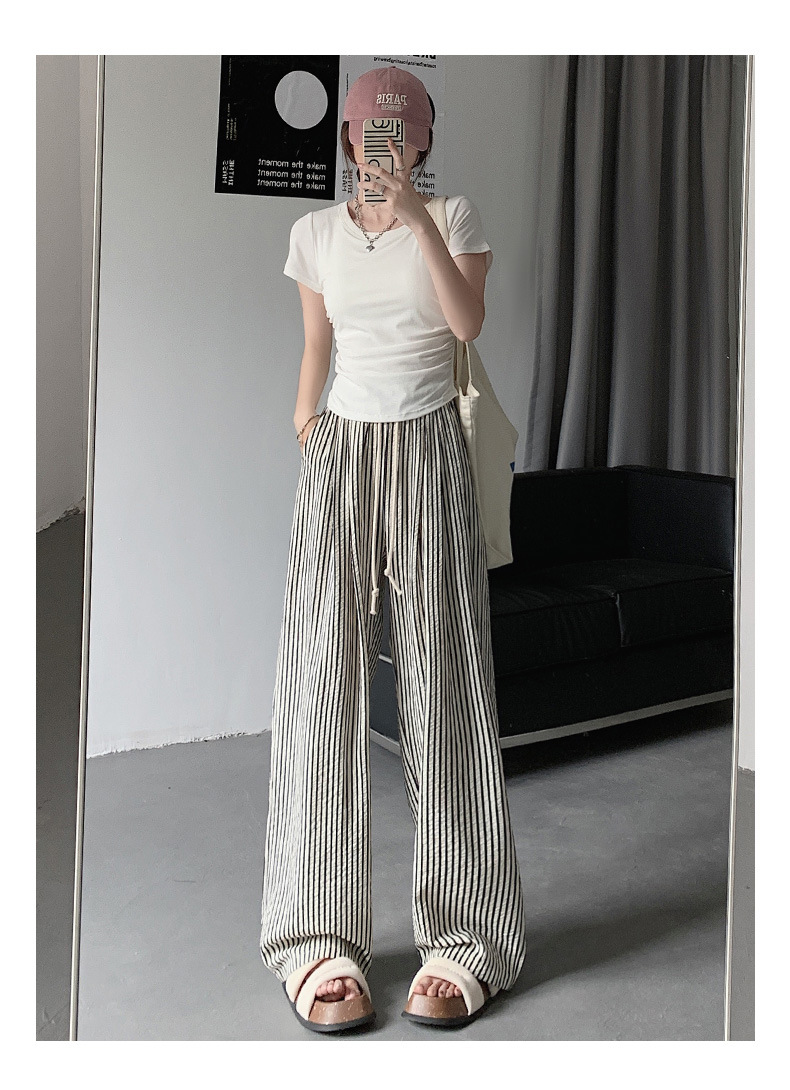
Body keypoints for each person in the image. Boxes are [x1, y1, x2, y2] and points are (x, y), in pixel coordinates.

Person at [260, 64, 527, 1033]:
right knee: (319, 679)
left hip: (429, 447)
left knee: (444, 680)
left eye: (400, 129)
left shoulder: (452, 216)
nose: (383, 143)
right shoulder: (314, 233)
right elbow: (318, 345)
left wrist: (415, 217)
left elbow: (467, 322)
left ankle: (468, 936)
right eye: (369, 130)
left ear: (422, 140)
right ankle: (316, 936)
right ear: (346, 141)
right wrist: (306, 424)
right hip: (339, 450)